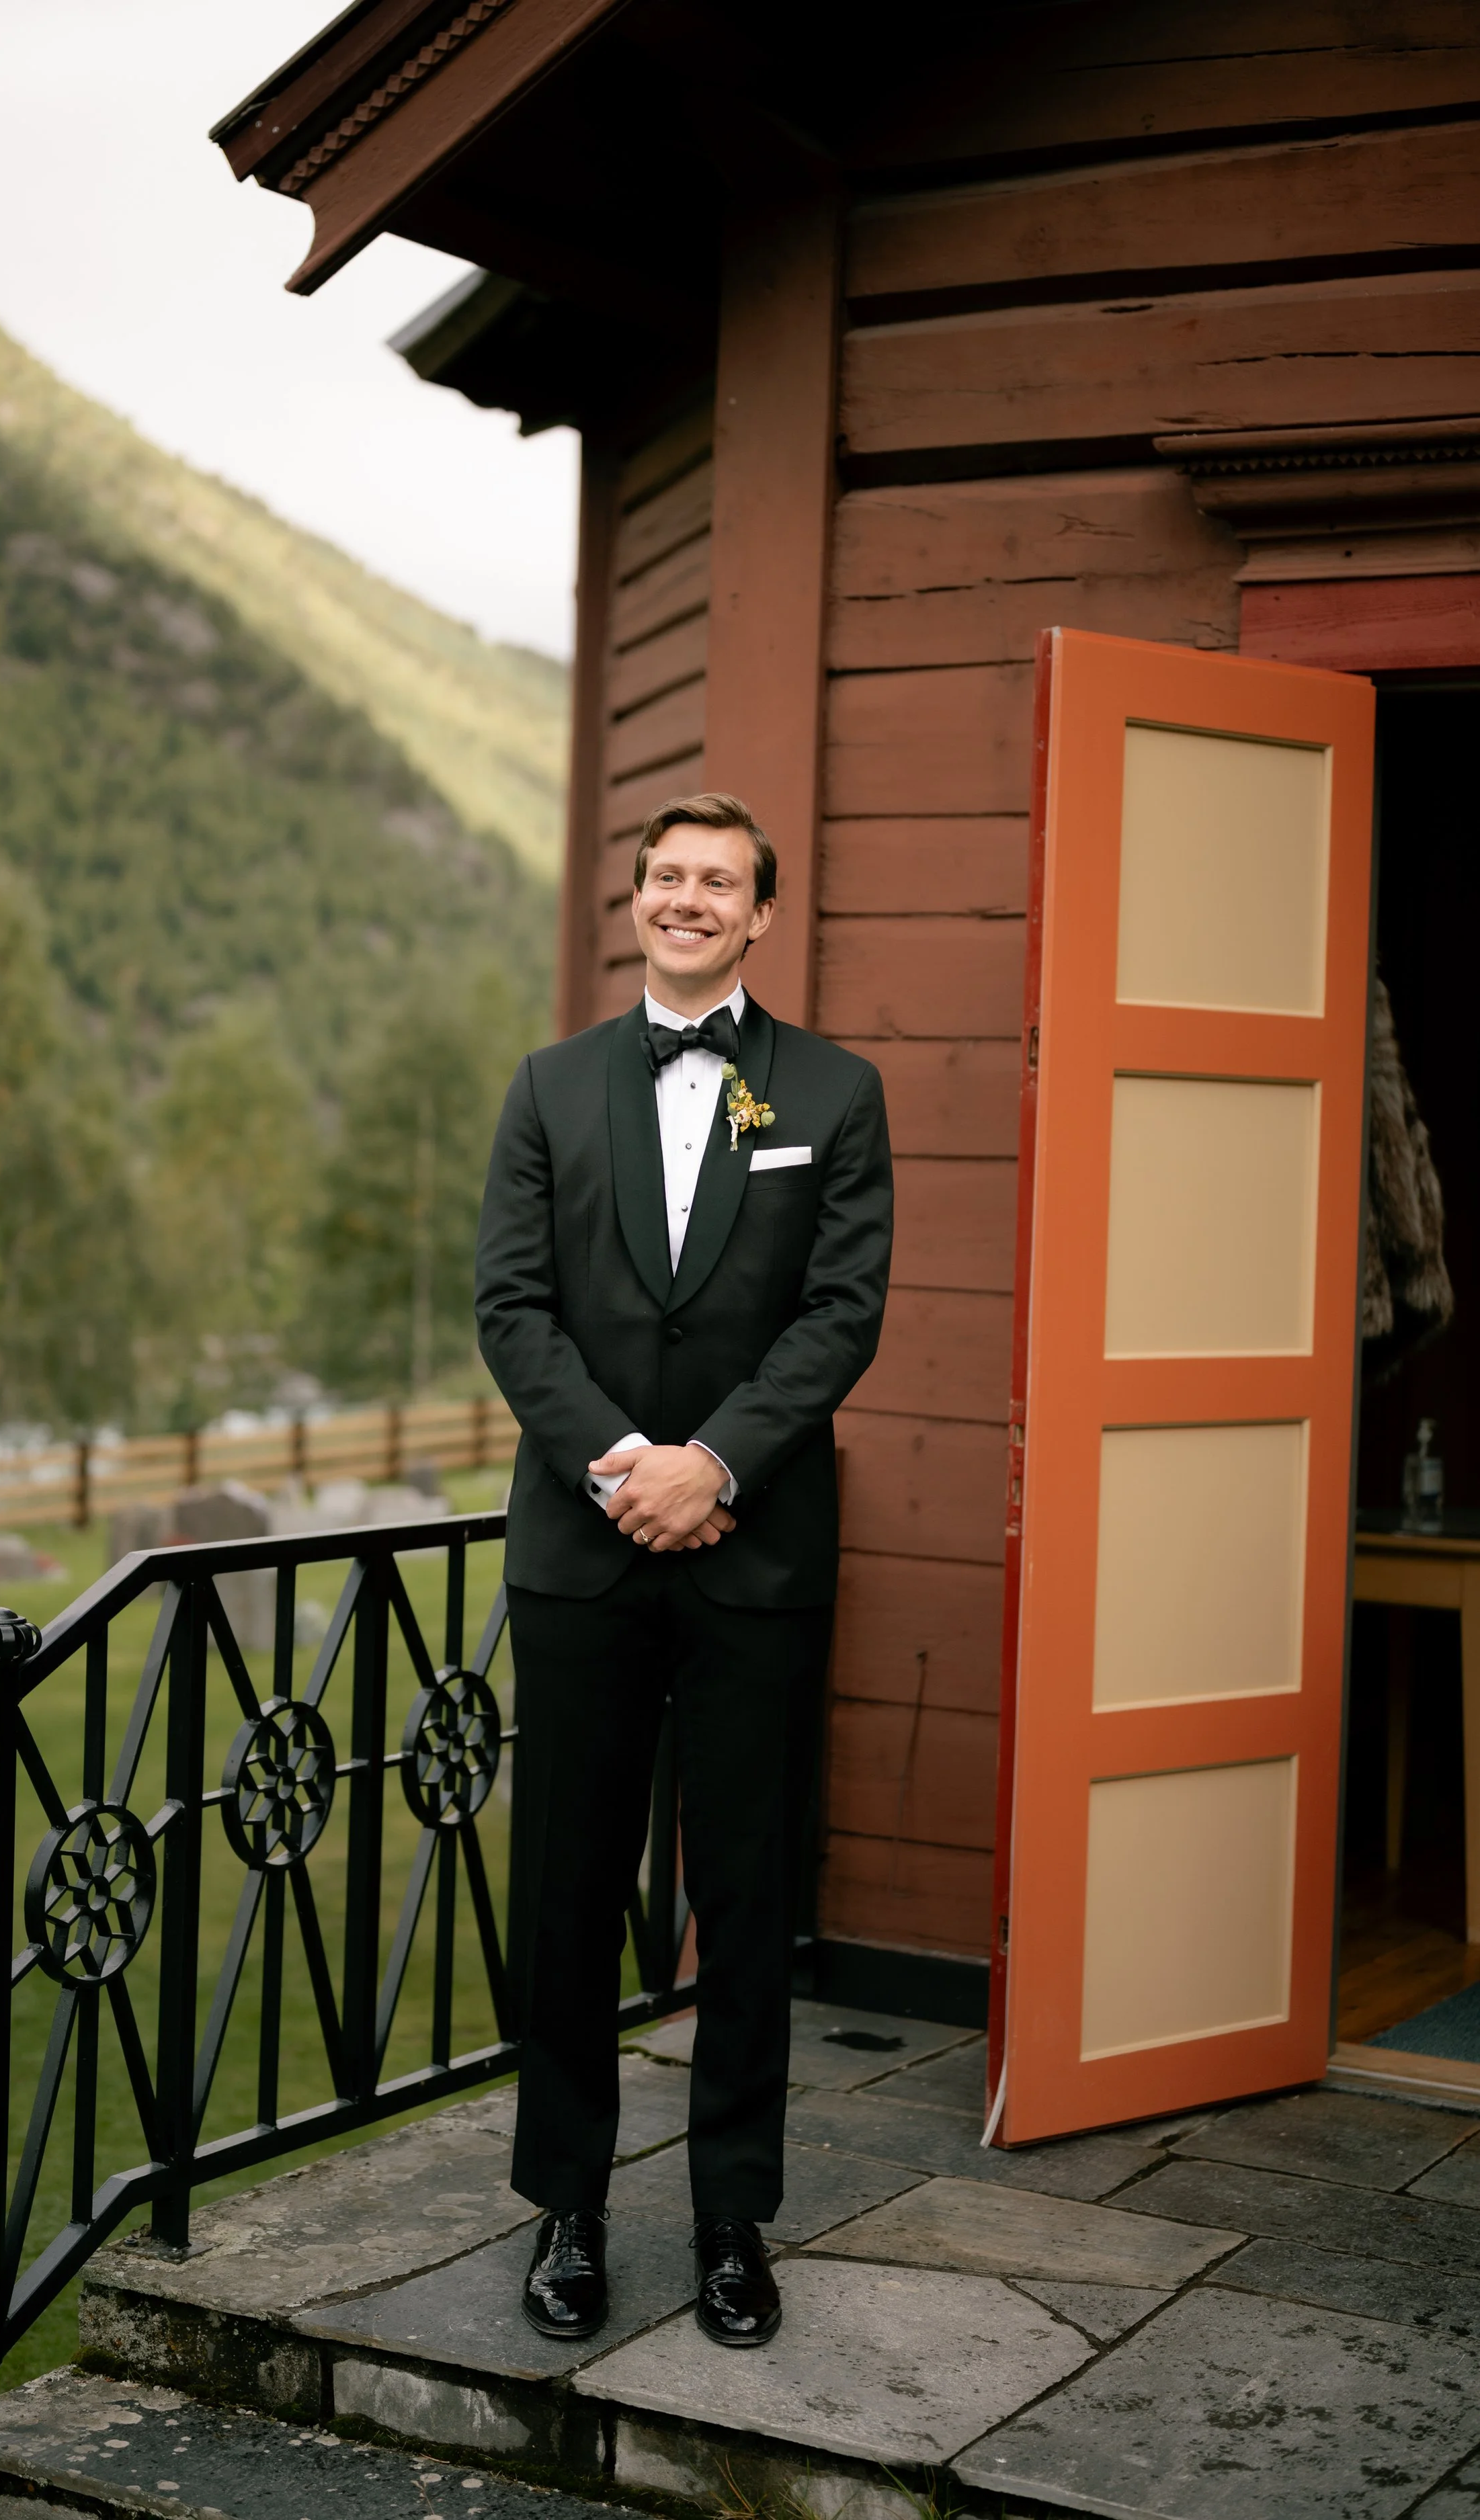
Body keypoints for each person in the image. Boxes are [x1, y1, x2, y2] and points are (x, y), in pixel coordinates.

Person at [474, 791, 893, 2347]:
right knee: (568, 1894)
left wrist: (711, 1464)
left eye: (719, 881)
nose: (688, 899)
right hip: (578, 1564)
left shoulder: (832, 1095)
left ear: (761, 913)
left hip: (751, 1556)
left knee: (744, 1892)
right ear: (633, 900)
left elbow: (837, 1316)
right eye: (666, 877)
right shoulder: (548, 1086)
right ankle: (566, 2214)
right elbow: (512, 1310)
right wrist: (622, 1472)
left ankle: (732, 2225)